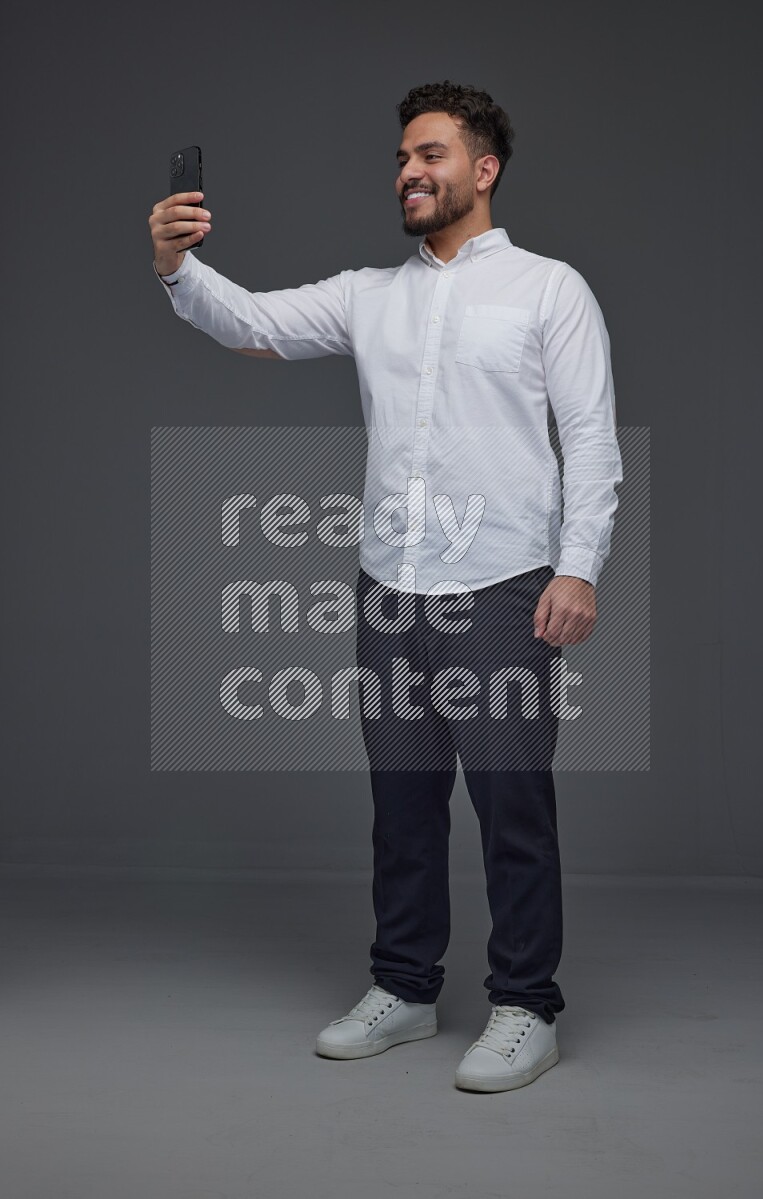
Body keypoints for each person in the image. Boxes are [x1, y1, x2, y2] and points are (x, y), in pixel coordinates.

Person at [149, 80, 623, 1094]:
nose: (408, 171)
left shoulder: (548, 290)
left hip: (502, 586)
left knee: (510, 804)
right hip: (389, 593)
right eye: (401, 157)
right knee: (401, 803)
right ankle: (405, 986)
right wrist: (175, 263)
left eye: (430, 154)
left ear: (482, 169)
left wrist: (577, 563)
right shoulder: (370, 293)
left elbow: (587, 436)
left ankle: (524, 1003)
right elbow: (254, 323)